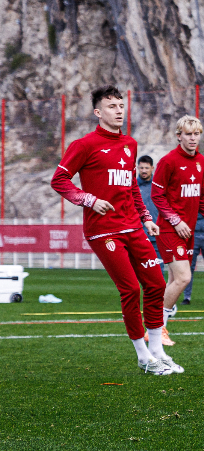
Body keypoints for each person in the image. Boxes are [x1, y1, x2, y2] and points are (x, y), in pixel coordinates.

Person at [50, 86, 176, 375]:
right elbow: (60, 180)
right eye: (111, 106)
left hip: (133, 226)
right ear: (98, 112)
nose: (119, 110)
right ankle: (144, 358)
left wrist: (146, 217)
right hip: (103, 230)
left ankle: (158, 351)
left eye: (121, 105)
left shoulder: (130, 144)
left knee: (156, 284)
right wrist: (89, 200)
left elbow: (131, 186)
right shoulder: (84, 145)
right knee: (130, 289)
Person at [152, 116, 204, 351]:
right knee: (183, 278)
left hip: (188, 230)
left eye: (196, 134)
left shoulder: (201, 160)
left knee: (173, 280)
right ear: (179, 135)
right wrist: (176, 220)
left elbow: (201, 195)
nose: (193, 138)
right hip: (170, 228)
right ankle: (156, 327)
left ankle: (157, 328)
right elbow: (157, 196)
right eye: (188, 134)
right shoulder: (168, 161)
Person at [136, 155, 162, 260]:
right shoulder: (132, 186)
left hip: (156, 235)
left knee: (158, 271)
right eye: (141, 168)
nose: (144, 170)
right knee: (138, 271)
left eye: (146, 168)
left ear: (152, 168)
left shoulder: (159, 186)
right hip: (137, 235)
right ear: (137, 168)